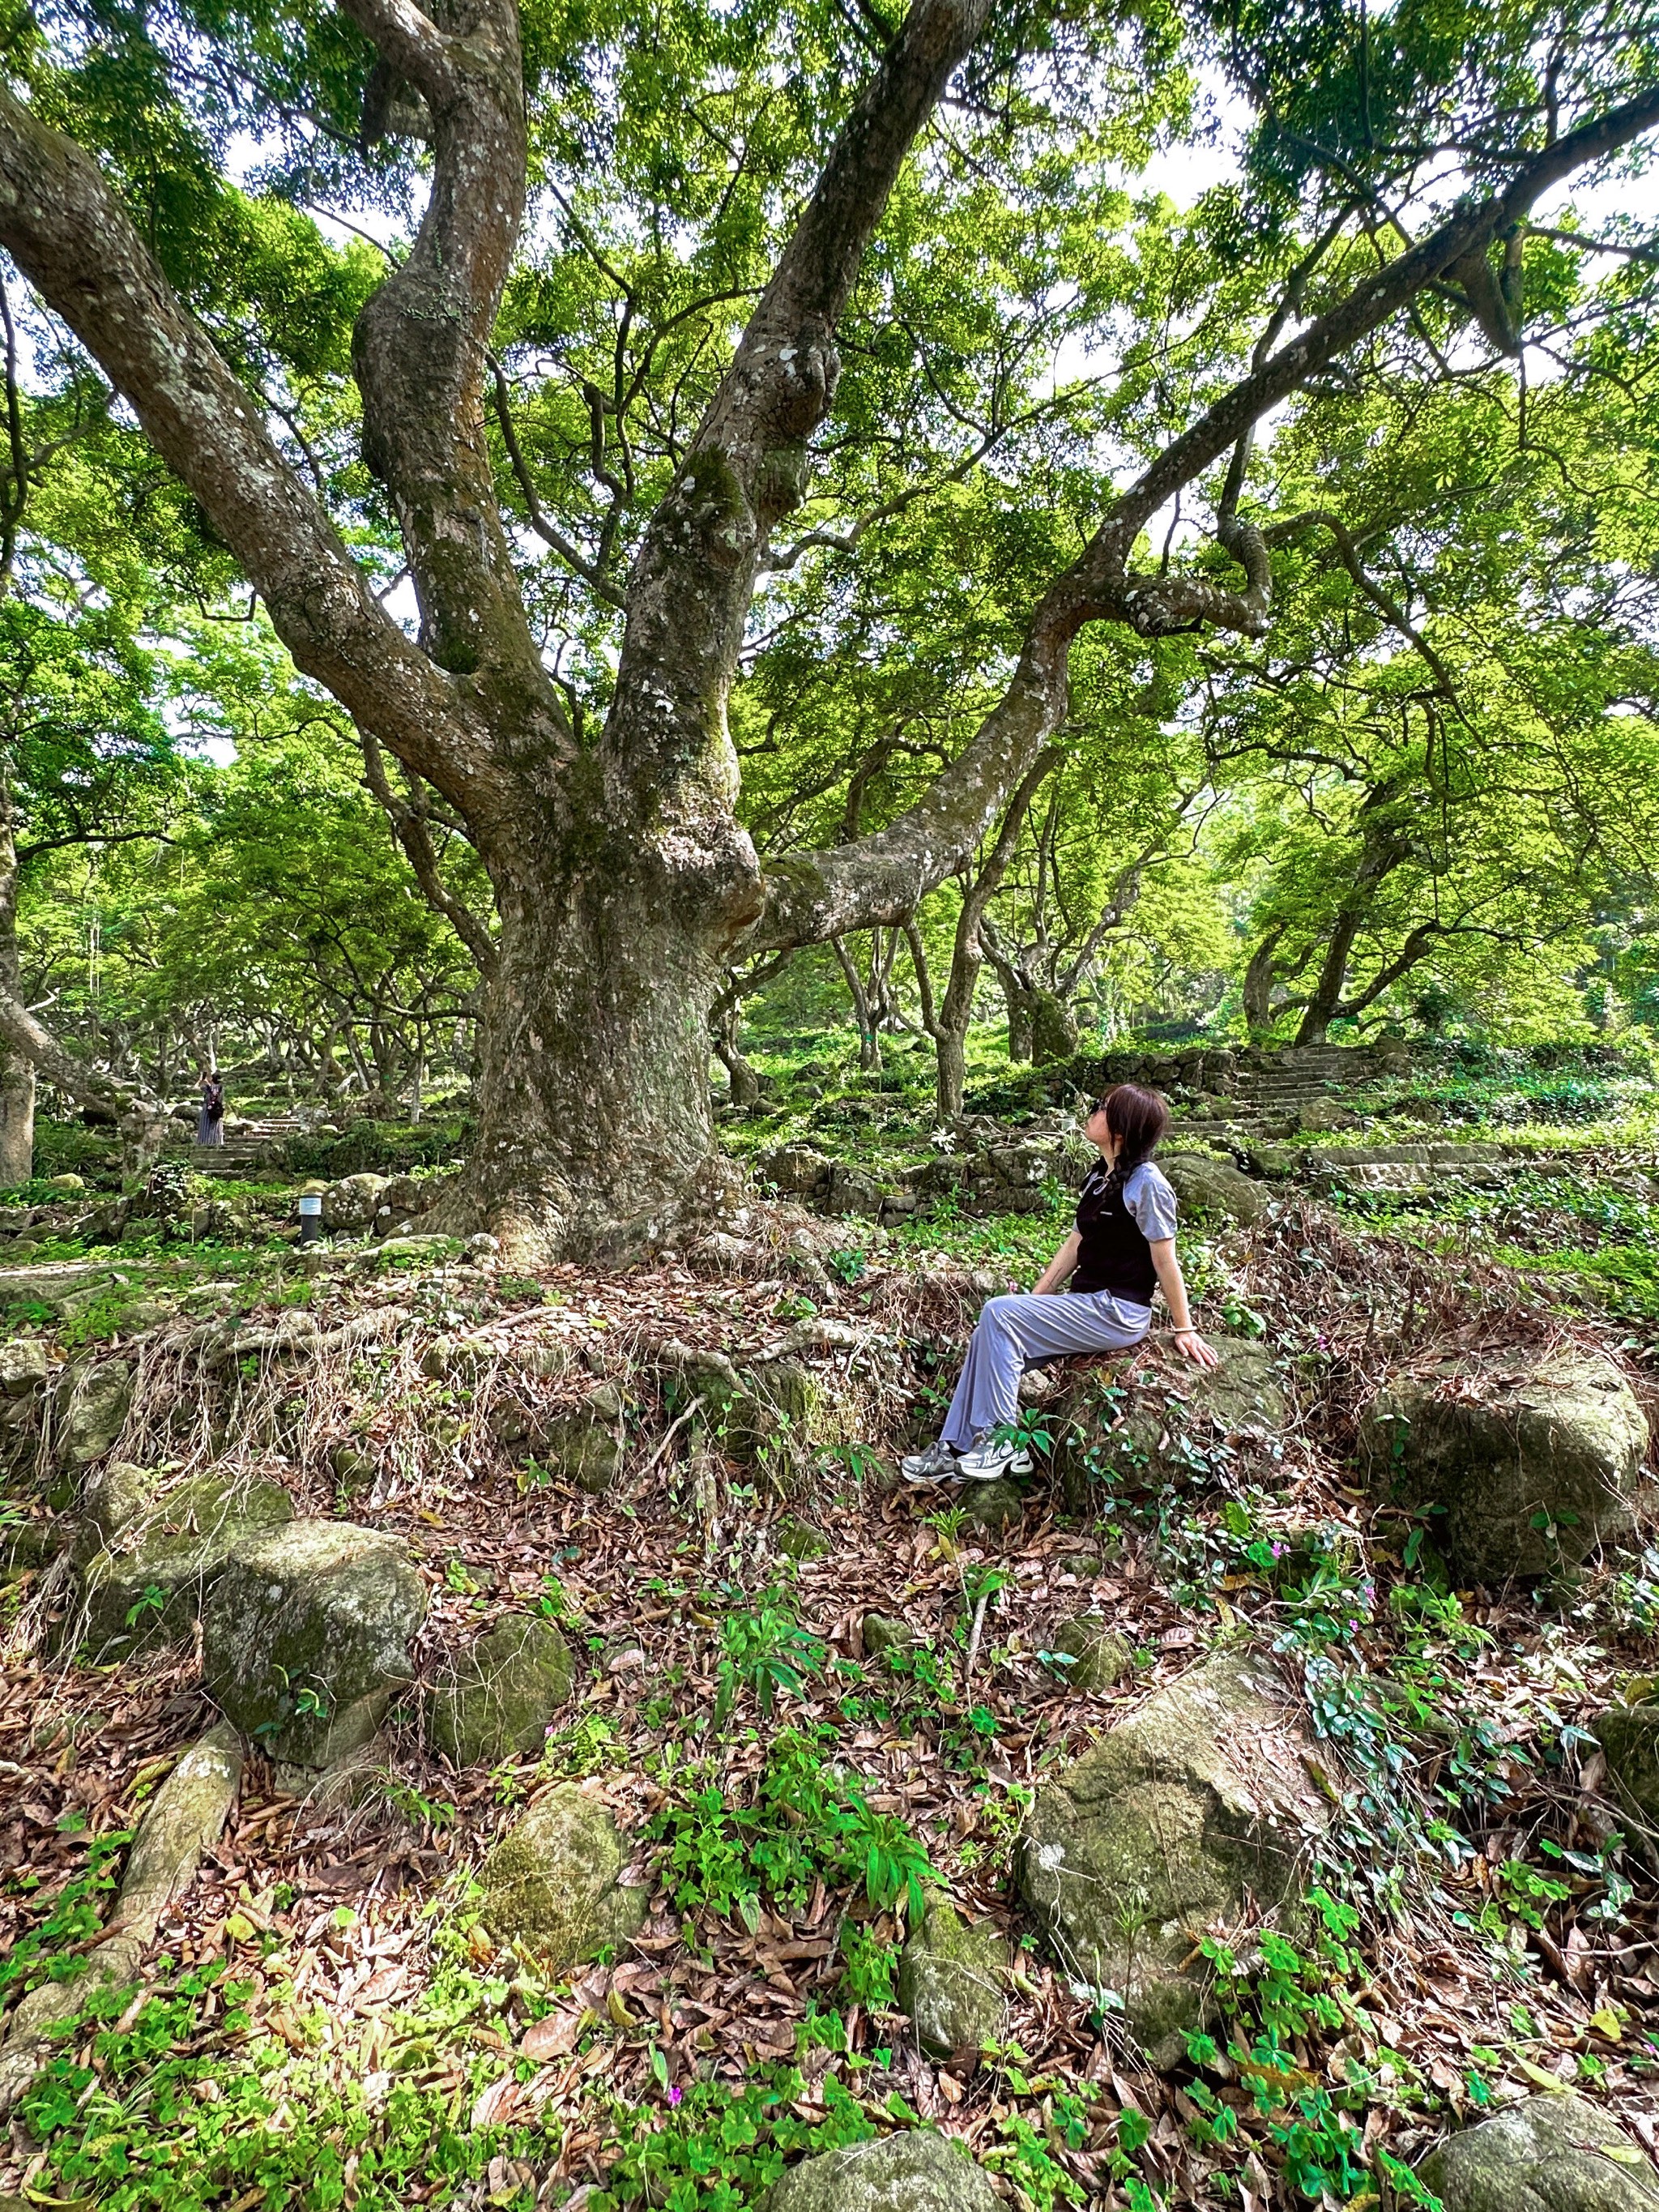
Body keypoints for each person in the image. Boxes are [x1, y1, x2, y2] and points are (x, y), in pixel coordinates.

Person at [902, 1082, 1218, 1484]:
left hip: (1117, 1310)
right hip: (1088, 1304)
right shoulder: (1101, 1177)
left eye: (1101, 1107)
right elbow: (1076, 1242)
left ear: (1120, 1128)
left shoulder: (1147, 1183)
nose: (1092, 1111)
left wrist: (1184, 1327)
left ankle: (1004, 1442)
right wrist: (1034, 1304)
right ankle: (958, 1447)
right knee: (990, 1330)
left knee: (997, 1313)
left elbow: (1165, 1260)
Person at [196, 1069, 225, 1147]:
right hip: (218, 1108)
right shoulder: (221, 1088)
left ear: (212, 1079)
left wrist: (201, 1080)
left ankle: (204, 1141)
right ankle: (216, 1141)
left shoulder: (208, 1087)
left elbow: (196, 1087)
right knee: (216, 1125)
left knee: (205, 1124)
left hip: (208, 1107)